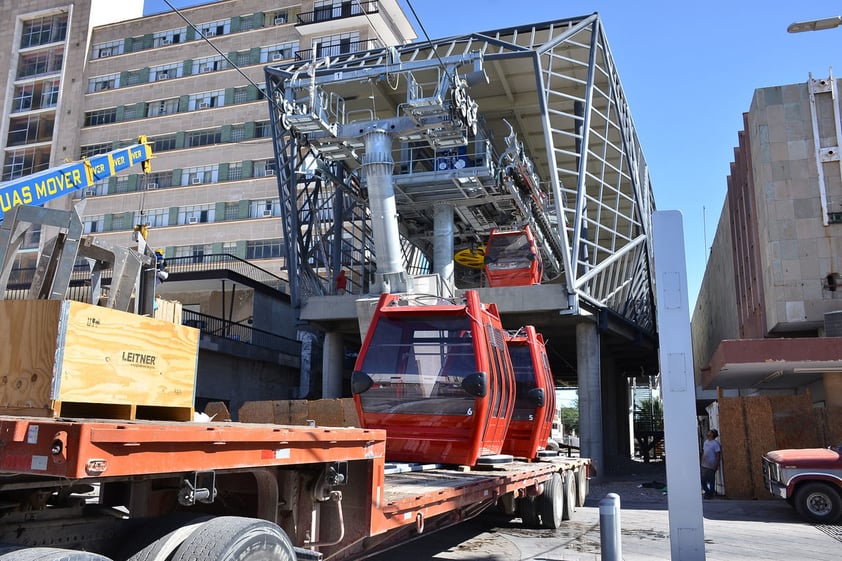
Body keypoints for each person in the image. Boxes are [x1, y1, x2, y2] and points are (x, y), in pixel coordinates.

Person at [700, 428, 722, 499]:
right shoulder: (706, 442)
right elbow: (704, 452)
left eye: (710, 432)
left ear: (712, 434)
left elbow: (718, 455)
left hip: (711, 464)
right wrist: (701, 460)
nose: (708, 432)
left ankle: (711, 493)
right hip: (704, 464)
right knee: (703, 480)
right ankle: (708, 491)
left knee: (711, 480)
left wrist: (716, 465)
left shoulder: (715, 444)